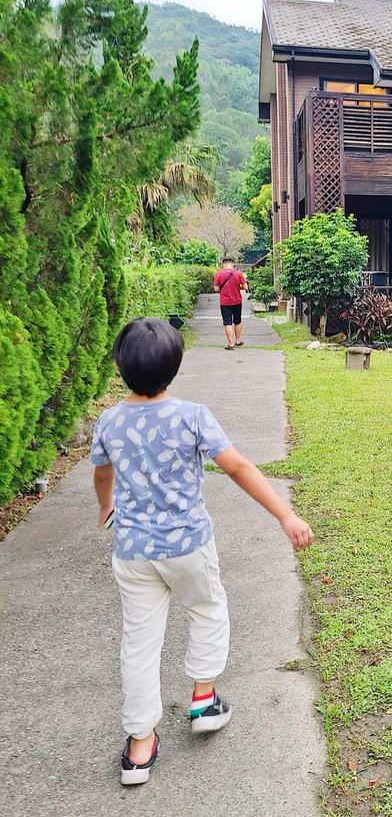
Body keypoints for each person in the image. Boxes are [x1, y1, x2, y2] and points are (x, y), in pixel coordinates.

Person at [90, 317, 314, 785]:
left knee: (139, 640)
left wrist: (106, 506)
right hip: (188, 544)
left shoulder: (108, 420)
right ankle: (204, 698)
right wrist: (284, 515)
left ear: (117, 365)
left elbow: (102, 474)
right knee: (208, 609)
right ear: (176, 366)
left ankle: (139, 745)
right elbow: (236, 466)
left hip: (133, 551)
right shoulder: (192, 415)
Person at [213, 257, 249, 350]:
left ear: (224, 264)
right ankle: (237, 340)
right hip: (237, 301)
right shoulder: (238, 273)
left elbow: (216, 289)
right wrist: (238, 287)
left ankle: (231, 344)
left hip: (225, 302)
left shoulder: (219, 274)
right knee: (237, 321)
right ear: (232, 264)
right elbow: (245, 287)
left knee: (227, 322)